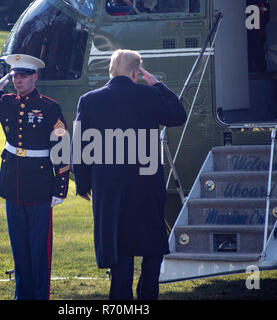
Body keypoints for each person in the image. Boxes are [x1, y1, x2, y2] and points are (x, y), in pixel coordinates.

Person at [71, 49, 186, 300]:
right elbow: (178, 115)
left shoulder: (89, 100)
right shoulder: (149, 94)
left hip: (109, 187)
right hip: (146, 185)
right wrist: (159, 85)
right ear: (137, 72)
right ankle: (147, 295)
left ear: (110, 71)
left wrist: (82, 183)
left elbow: (79, 146)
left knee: (119, 247)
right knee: (152, 244)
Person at [0, 54, 69, 300]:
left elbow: (62, 145)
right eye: (15, 77)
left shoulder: (49, 107)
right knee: (20, 249)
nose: (19, 81)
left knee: (39, 250)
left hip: (40, 185)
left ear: (35, 77)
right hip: (12, 183)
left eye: (23, 76)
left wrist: (60, 186)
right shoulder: (6, 102)